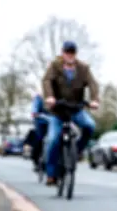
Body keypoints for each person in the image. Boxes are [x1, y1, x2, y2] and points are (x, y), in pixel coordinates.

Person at [41, 40, 100, 186]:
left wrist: (94, 100)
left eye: (72, 52)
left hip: (76, 109)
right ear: (63, 53)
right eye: (67, 52)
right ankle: (51, 174)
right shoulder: (55, 66)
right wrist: (49, 97)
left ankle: (77, 151)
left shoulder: (83, 68)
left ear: (75, 54)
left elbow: (93, 84)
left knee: (90, 126)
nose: (70, 55)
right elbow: (46, 80)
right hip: (58, 111)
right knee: (53, 139)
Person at [30, 93, 48, 172]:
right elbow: (35, 107)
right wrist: (35, 112)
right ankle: (36, 161)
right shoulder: (39, 97)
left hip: (52, 122)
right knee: (39, 139)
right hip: (41, 122)